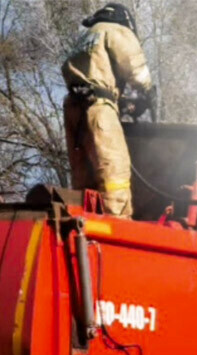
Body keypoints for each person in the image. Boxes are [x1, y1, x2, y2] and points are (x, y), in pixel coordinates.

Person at [62, 3, 155, 218]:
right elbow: (136, 69)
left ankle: (85, 222)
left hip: (73, 109)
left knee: (84, 177)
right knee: (114, 171)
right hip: (98, 109)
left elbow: (94, 74)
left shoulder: (87, 36)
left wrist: (119, 100)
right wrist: (147, 91)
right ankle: (118, 223)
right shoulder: (118, 30)